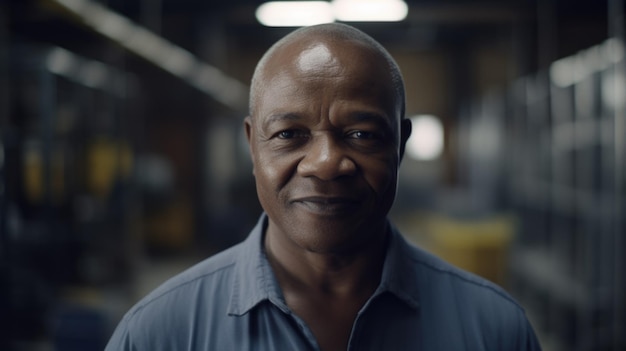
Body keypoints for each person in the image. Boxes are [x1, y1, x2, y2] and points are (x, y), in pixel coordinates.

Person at [105, 23, 542, 351]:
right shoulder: (157, 334)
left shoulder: (495, 330)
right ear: (251, 146)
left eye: (362, 134)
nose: (327, 163)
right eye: (289, 135)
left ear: (401, 144)